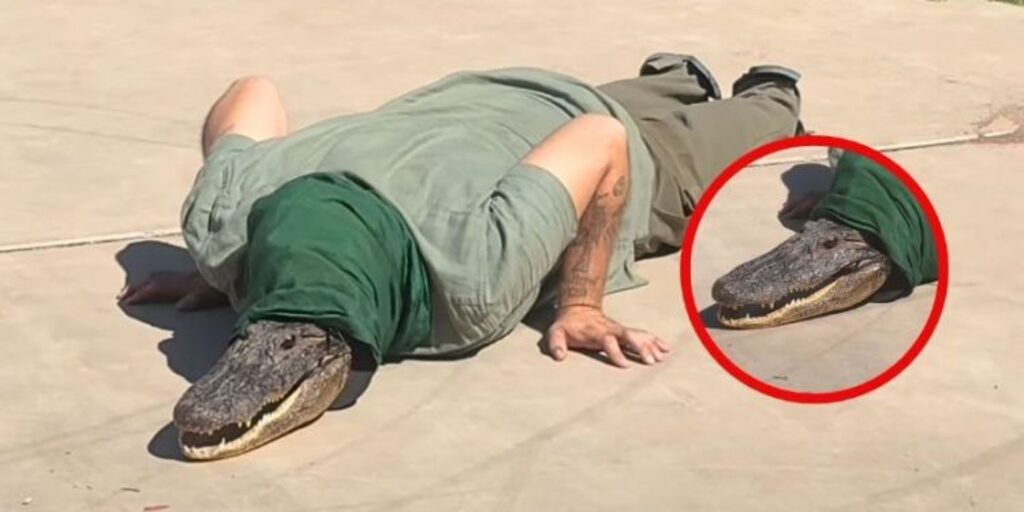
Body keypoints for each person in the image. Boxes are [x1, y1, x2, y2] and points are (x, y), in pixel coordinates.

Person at [119, 53, 802, 368]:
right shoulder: (234, 207)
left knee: (735, 130)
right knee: (604, 105)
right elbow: (254, 88)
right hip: (483, 95)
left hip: (601, 142)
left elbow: (604, 141)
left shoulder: (474, 276)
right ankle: (677, 77)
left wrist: (581, 304)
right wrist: (231, 253)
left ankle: (771, 88)